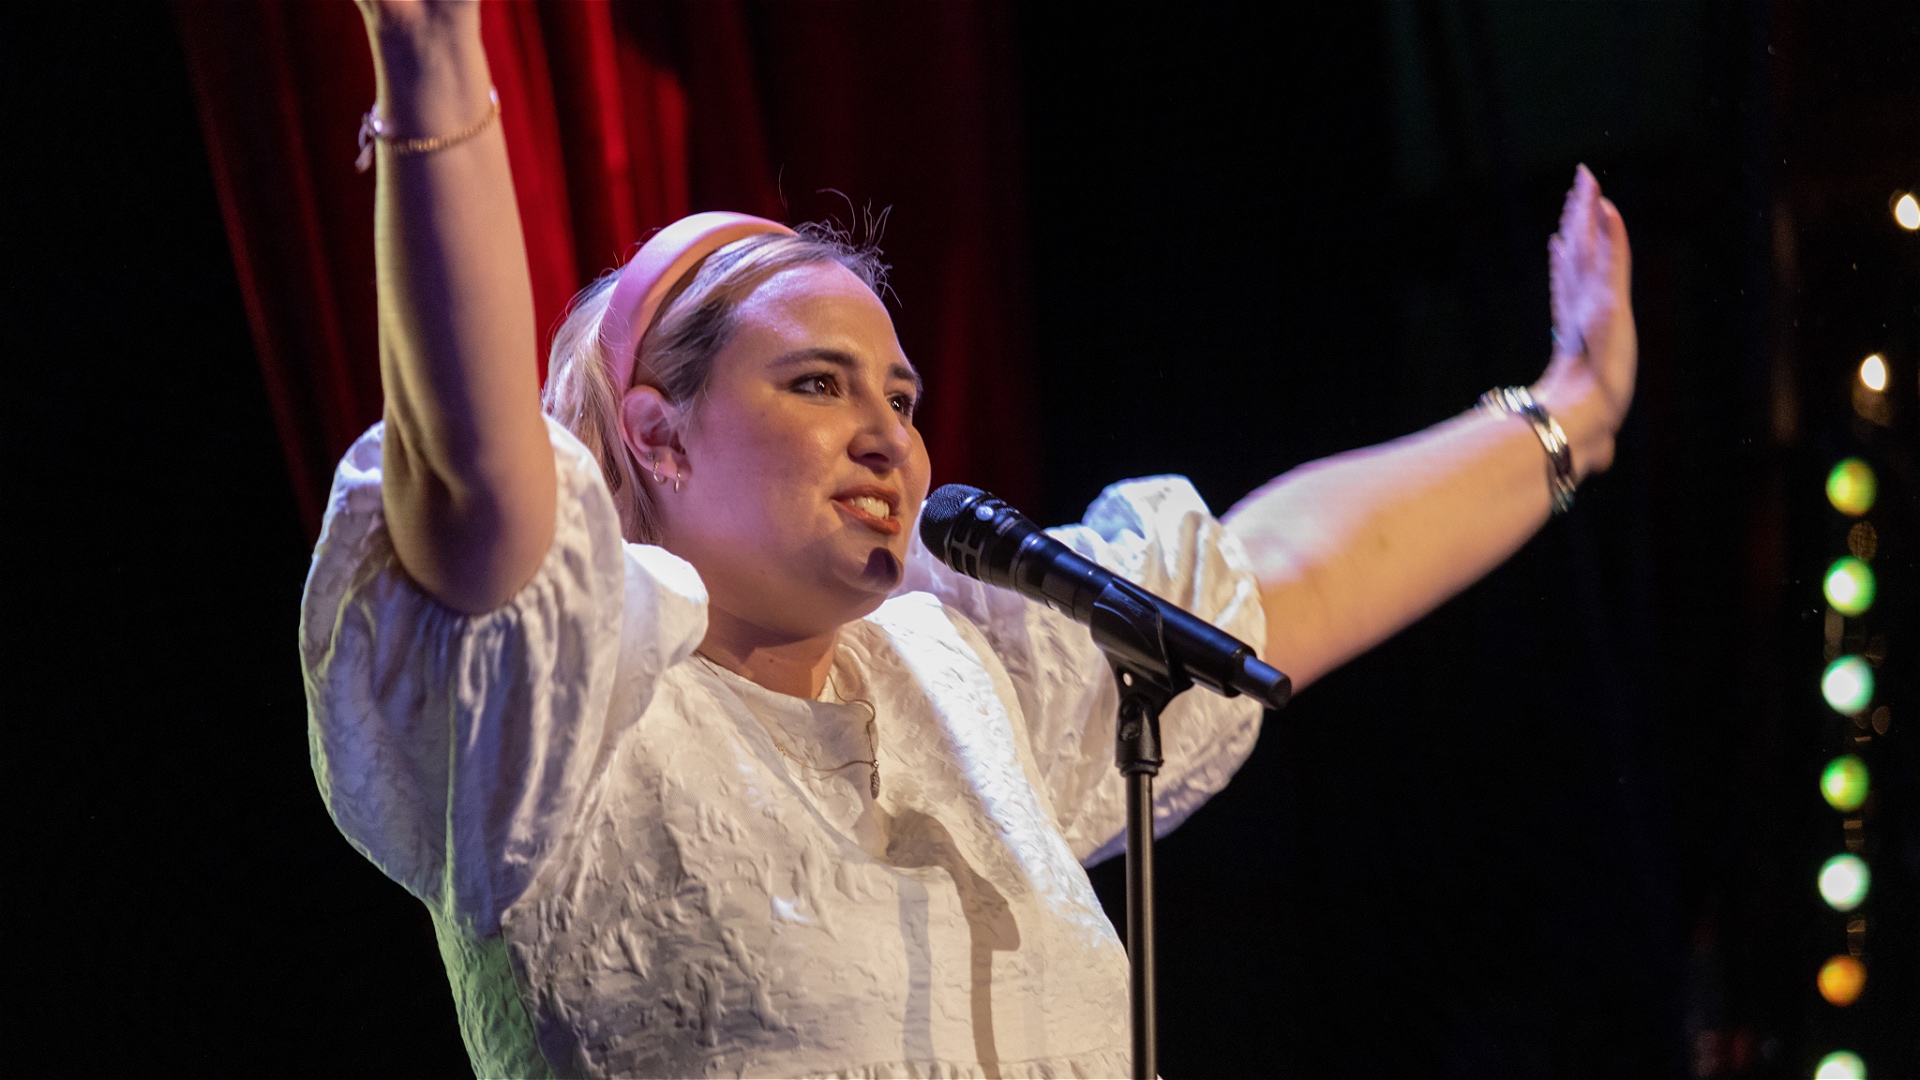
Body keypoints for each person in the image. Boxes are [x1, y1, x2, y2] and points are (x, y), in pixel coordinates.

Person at [303, 3, 1637, 1076]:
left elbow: (1281, 572)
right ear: (657, 434)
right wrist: (433, 60)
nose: (888, 436)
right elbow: (477, 484)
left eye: (902, 400)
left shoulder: (959, 681)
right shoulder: (557, 702)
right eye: (817, 384)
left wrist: (1572, 411)